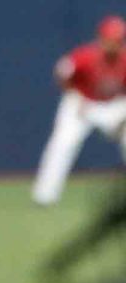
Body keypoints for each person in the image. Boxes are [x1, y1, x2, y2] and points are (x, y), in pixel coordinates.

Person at [32, 15, 126, 206]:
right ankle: (44, 196)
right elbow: (61, 71)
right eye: (111, 39)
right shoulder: (85, 55)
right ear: (101, 38)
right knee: (62, 143)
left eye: (118, 40)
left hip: (114, 106)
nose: (114, 44)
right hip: (83, 104)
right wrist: (74, 95)